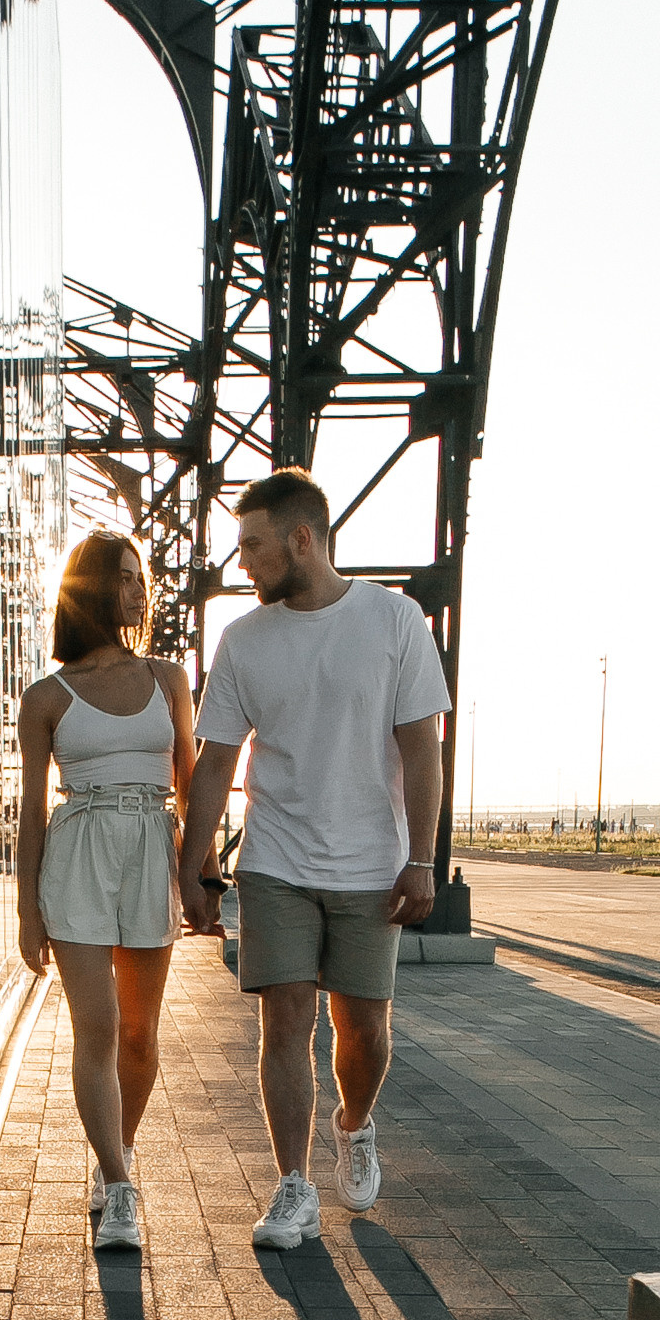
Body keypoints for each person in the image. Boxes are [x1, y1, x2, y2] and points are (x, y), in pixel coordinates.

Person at [175, 468, 446, 1250]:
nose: (242, 563)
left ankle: (354, 1125)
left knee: (361, 1028)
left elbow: (421, 750)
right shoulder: (242, 641)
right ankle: (292, 1186)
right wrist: (193, 870)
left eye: (254, 546)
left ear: (301, 538)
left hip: (371, 864)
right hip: (276, 863)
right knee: (283, 1020)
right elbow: (215, 761)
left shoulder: (394, 621)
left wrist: (420, 860)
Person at [15, 530, 197, 1254]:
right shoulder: (45, 697)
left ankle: (110, 1155)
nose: (137, 591)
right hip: (78, 851)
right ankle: (120, 1184)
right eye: (123, 578)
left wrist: (200, 874)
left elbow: (188, 783)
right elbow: (32, 810)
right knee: (95, 1029)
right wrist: (28, 912)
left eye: (138, 578)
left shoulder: (169, 678)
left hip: (150, 849)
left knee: (138, 1034)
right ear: (92, 589)